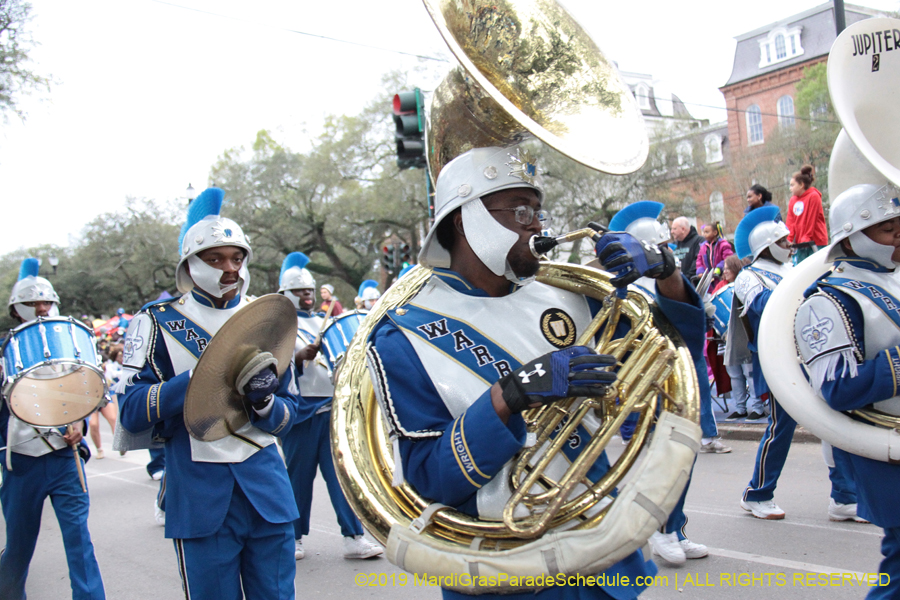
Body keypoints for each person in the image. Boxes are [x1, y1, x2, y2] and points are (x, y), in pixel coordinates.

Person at [365, 145, 706, 599]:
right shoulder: (403, 335)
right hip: (506, 571)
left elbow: (677, 352)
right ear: (466, 219)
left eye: (538, 210)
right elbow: (430, 479)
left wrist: (666, 270)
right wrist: (512, 392)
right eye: (521, 211)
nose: (538, 226)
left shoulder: (569, 295)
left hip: (604, 554)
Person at [116, 187, 301, 599]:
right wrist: (202, 378)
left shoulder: (266, 316)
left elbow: (292, 411)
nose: (229, 268)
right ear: (190, 263)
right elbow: (129, 409)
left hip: (267, 491)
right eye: (215, 258)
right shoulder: (157, 321)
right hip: (200, 494)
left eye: (236, 257)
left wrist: (266, 402)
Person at [794, 182, 900, 598]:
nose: (899, 236)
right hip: (884, 447)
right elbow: (837, 389)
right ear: (855, 235)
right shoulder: (828, 300)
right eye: (889, 229)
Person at [729, 206, 858, 521]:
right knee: (781, 426)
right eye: (783, 242)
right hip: (778, 359)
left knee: (834, 420)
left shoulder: (794, 270)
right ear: (767, 245)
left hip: (810, 353)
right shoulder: (749, 276)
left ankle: (843, 497)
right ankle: (757, 493)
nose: (789, 246)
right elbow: (764, 306)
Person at [606, 201, 711, 566]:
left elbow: (689, 334)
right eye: (660, 246)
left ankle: (674, 528)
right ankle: (655, 529)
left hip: (680, 384)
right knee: (659, 462)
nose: (667, 251)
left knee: (684, 459)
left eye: (667, 245)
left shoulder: (666, 281)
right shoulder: (620, 288)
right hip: (647, 391)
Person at [0, 257, 105, 600]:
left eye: (46, 301)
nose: (42, 309)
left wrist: (79, 423)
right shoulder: (4, 351)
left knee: (79, 541)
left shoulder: (67, 346)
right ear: (17, 310)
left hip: (64, 459)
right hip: (21, 461)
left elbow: (83, 394)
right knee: (19, 545)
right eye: (32, 303)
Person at [277, 252, 383, 561]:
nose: (307, 296)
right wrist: (297, 359)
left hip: (331, 407)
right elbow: (272, 369)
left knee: (342, 477)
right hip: (301, 410)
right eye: (300, 291)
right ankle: (293, 537)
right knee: (298, 477)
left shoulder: (326, 321)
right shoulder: (281, 326)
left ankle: (354, 536)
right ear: (287, 293)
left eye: (310, 291)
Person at [718, 255, 765, 421]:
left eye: (727, 268)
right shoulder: (721, 287)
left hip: (742, 334)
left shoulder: (744, 284)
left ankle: (758, 407)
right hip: (725, 338)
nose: (724, 271)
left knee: (749, 373)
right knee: (734, 374)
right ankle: (740, 407)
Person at [786, 165, 828, 265]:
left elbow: (811, 219)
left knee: (817, 267)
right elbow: (791, 221)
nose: (790, 188)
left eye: (792, 185)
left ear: (801, 185)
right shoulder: (793, 200)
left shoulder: (813, 196)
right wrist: (788, 239)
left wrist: (806, 237)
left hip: (816, 241)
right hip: (801, 243)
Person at [90, 344, 122, 459]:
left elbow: (110, 381)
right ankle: (99, 449)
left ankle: (120, 444)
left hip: (103, 395)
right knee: (93, 424)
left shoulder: (106, 366)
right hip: (89, 398)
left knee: (113, 419)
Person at [695, 222, 734, 288]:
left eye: (707, 232)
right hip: (708, 280)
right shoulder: (703, 246)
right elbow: (699, 260)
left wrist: (719, 268)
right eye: (704, 232)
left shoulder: (723, 244)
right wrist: (700, 271)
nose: (704, 234)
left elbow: (728, 258)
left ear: (715, 233)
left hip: (721, 277)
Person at [670, 216, 702, 281]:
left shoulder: (699, 241)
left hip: (693, 282)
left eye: (674, 229)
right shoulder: (673, 245)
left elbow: (698, 261)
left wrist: (685, 279)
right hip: (677, 283)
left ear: (683, 229)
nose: (672, 232)